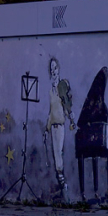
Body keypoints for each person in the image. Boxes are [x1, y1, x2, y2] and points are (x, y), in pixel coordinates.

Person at [45, 57, 75, 195]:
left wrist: (71, 117)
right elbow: (51, 112)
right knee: (55, 154)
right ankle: (61, 184)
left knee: (59, 156)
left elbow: (67, 103)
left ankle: (64, 185)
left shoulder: (62, 86)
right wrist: (46, 128)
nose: (53, 71)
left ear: (59, 68)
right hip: (53, 127)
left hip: (61, 126)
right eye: (51, 69)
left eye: (55, 68)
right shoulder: (51, 91)